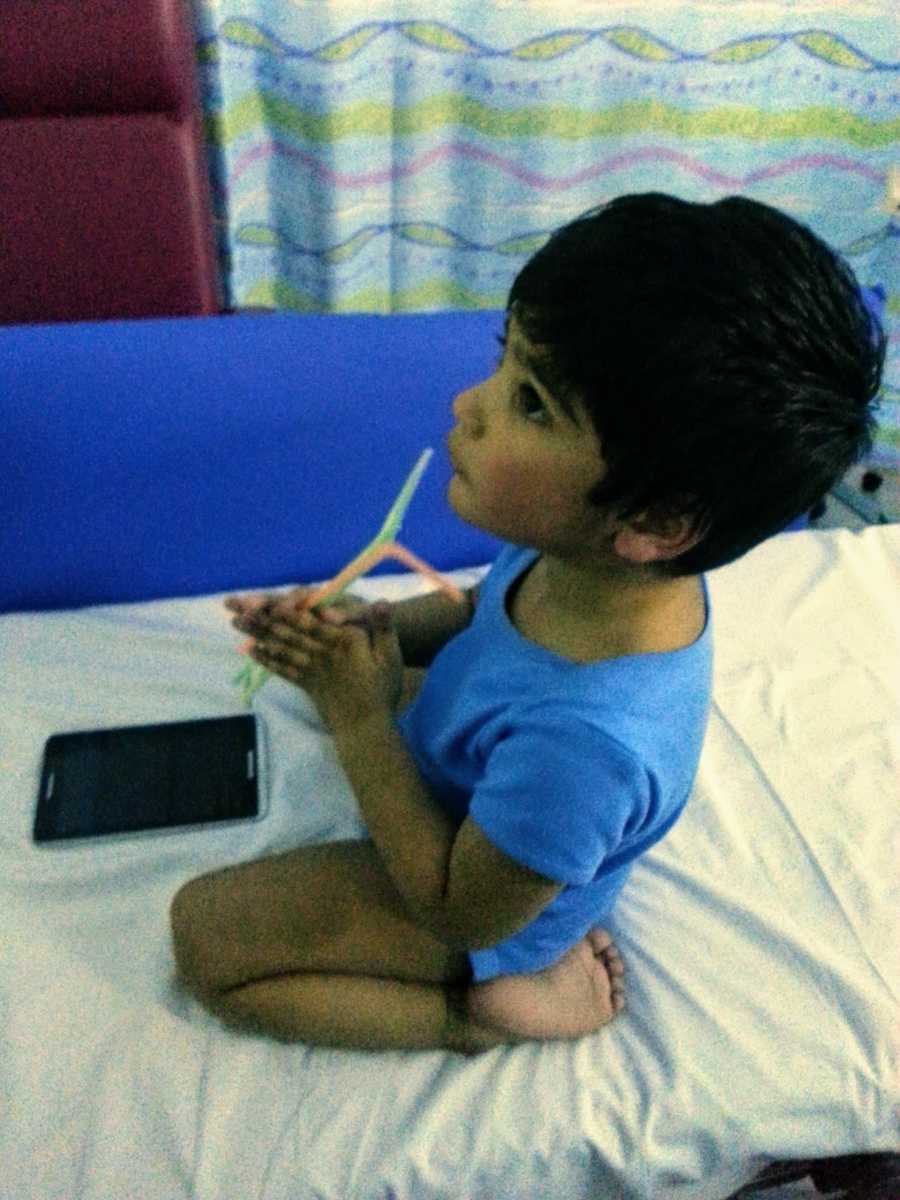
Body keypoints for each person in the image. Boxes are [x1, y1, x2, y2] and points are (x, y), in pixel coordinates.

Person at [170, 193, 884, 1054]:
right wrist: (371, 635)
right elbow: (481, 615)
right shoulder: (596, 562)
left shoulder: (590, 747)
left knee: (206, 936)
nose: (470, 404)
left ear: (655, 521)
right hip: (477, 782)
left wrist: (358, 713)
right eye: (503, 364)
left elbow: (458, 908)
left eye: (533, 402)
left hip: (482, 904)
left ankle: (476, 1018)